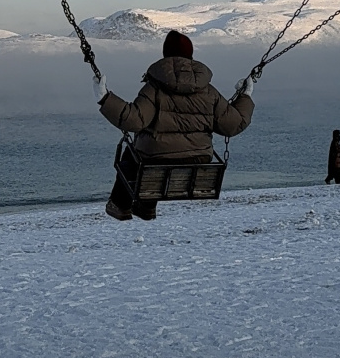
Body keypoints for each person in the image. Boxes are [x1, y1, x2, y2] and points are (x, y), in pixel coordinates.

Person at [95, 30, 254, 220]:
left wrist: (105, 98)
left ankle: (122, 205)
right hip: (198, 159)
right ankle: (144, 208)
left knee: (133, 153)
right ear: (190, 56)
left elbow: (135, 120)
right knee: (144, 155)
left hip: (156, 161)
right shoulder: (209, 91)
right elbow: (233, 124)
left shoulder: (154, 88)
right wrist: (245, 96)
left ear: (165, 55)